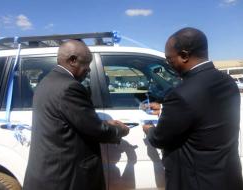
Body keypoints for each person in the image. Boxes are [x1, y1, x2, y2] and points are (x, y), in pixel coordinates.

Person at [143, 27, 243, 190]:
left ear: (184, 56)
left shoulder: (181, 94)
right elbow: (205, 114)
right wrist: (166, 108)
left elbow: (159, 139)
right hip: (227, 176)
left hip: (195, 181)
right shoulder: (227, 81)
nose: (170, 64)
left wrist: (149, 130)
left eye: (169, 60)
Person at [23, 40, 129, 190]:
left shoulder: (47, 81)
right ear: (72, 60)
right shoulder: (70, 87)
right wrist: (120, 130)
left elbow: (72, 121)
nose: (89, 70)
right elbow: (96, 130)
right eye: (86, 64)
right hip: (66, 178)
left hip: (49, 173)